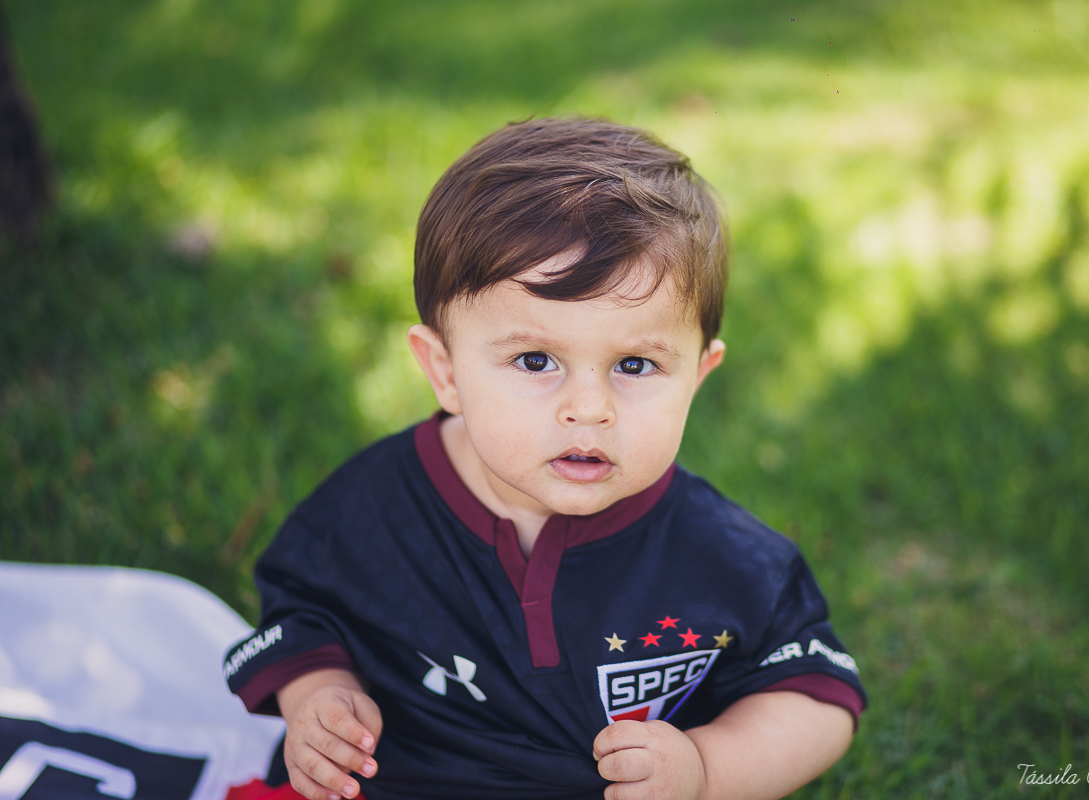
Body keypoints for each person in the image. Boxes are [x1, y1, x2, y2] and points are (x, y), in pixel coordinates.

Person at [224, 117, 866, 800]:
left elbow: (818, 699)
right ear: (443, 370)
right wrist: (319, 697)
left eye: (636, 364)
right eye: (536, 360)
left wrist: (706, 768)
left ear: (698, 378)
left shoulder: (724, 559)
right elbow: (301, 612)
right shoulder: (372, 509)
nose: (589, 408)